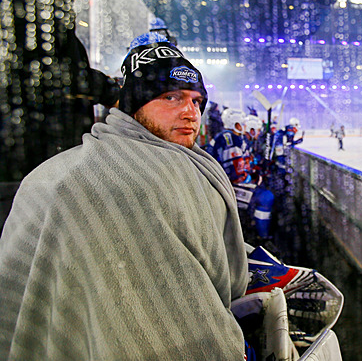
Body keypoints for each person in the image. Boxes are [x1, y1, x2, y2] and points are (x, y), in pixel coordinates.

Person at [0, 33, 249, 360]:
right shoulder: (135, 179)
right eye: (172, 97)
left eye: (196, 101)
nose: (191, 112)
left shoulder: (54, 170)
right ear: (134, 104)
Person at [1, 0, 120, 181]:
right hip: (35, 157)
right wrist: (112, 92)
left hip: (38, 155)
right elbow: (59, 72)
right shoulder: (40, 10)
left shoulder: (46, 13)